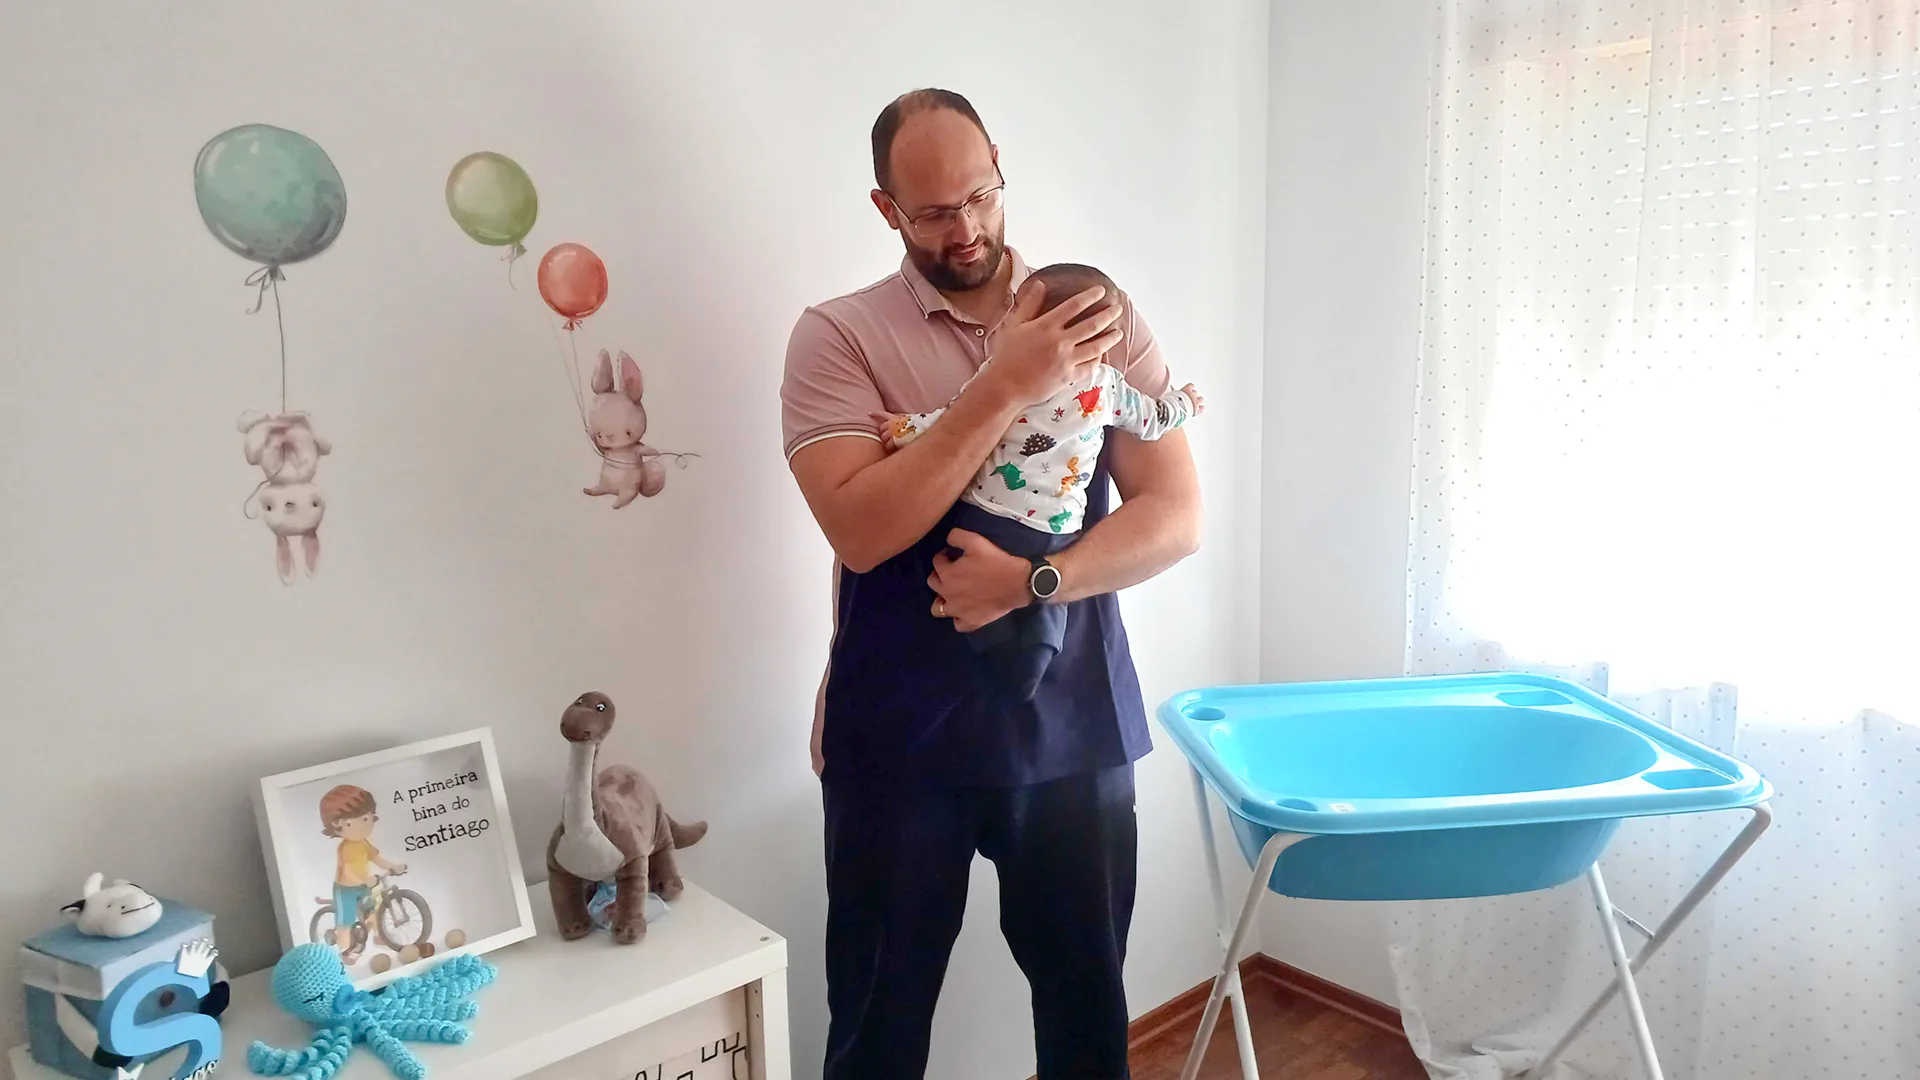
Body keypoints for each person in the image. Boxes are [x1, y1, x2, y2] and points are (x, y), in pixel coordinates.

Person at [781, 88, 1203, 1080]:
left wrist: (1034, 581)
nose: (964, 229)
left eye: (979, 196)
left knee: (1086, 1010)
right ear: (886, 209)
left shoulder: (1096, 311)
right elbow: (862, 525)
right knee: (878, 1022)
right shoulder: (836, 338)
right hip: (898, 726)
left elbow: (1174, 516)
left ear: (1001, 170)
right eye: (932, 211)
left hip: (1072, 711)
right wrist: (1005, 382)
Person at [877, 261, 1204, 701]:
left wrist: (901, 430)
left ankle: (989, 644)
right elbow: (1153, 420)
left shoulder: (1000, 374)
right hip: (1054, 529)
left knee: (958, 576)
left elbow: (947, 421)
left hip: (987, 514)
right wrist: (1184, 403)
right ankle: (1033, 662)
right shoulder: (1107, 388)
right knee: (1047, 609)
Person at [319, 784, 406, 963]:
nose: (366, 825)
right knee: (346, 923)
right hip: (346, 889)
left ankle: (380, 936)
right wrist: (363, 880)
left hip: (363, 885)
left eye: (367, 819)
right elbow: (347, 871)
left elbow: (376, 858)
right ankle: (345, 951)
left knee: (372, 913)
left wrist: (392, 867)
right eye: (358, 821)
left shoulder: (363, 843)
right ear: (337, 823)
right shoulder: (346, 848)